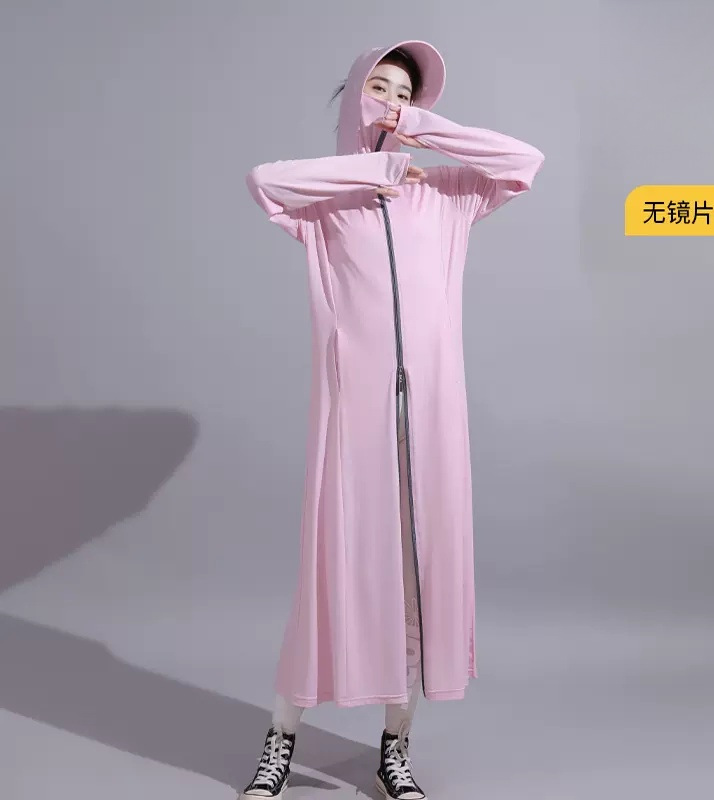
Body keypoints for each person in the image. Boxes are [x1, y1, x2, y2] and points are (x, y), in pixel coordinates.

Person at [239, 39, 544, 800]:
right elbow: (264, 180)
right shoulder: (328, 201)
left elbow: (523, 161)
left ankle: (394, 750)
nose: (392, 102)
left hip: (431, 416)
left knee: (419, 581)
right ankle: (280, 740)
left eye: (406, 93)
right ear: (353, 96)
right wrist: (372, 169)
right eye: (379, 88)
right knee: (328, 574)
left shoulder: (446, 193)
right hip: (355, 414)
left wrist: (420, 134)